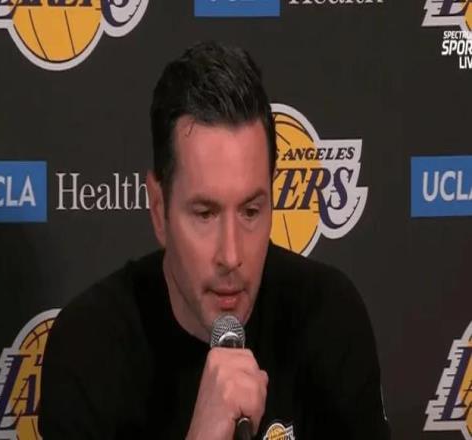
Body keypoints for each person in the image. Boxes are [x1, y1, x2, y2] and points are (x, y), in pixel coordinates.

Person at [39, 41, 390, 439]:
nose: (231, 255)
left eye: (251, 211)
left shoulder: (328, 316)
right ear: (158, 208)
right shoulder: (89, 346)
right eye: (205, 214)